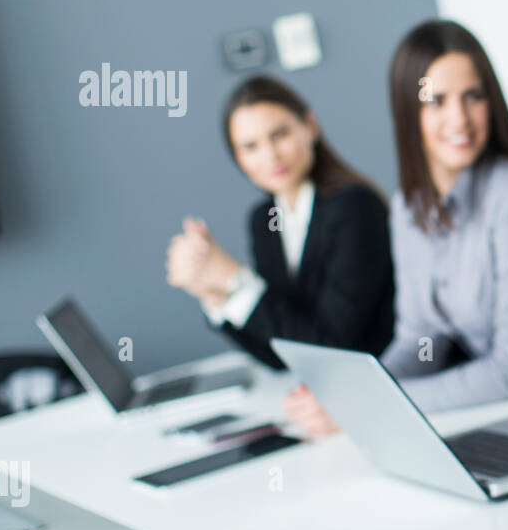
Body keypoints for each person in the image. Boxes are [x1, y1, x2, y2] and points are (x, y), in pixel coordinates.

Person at [287, 20, 508, 430]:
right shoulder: (408, 209)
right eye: (437, 101)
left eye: (473, 97)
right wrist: (355, 393)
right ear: (408, 111)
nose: (459, 119)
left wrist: (372, 408)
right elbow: (420, 340)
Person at [165, 75, 394, 370]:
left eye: (280, 134)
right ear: (238, 157)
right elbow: (281, 354)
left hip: (385, 382)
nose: (270, 156)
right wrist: (215, 294)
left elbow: (334, 346)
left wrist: (235, 279)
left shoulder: (355, 208)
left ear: (310, 126)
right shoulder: (265, 221)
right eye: (250, 146)